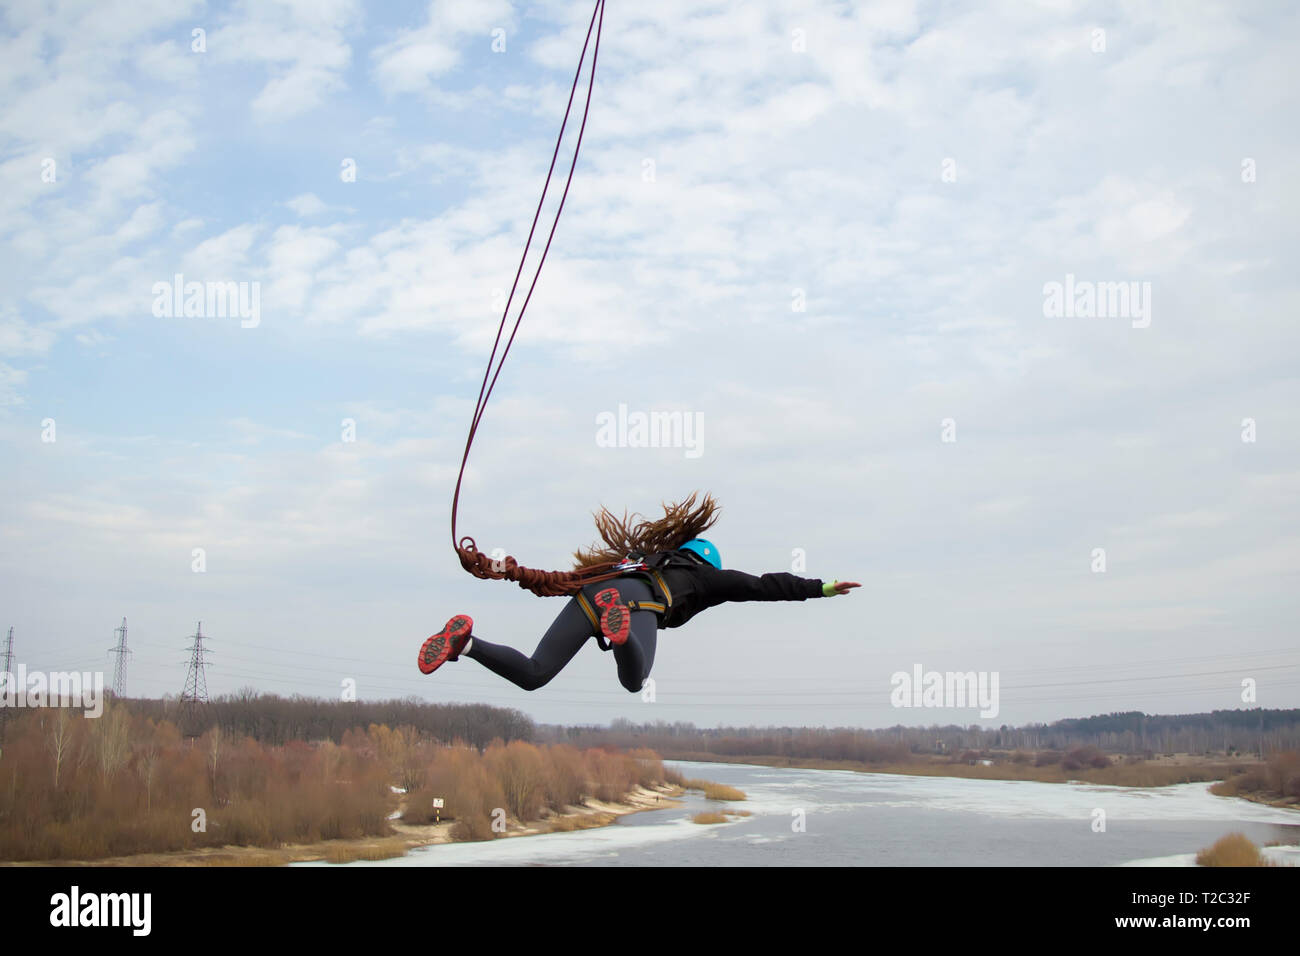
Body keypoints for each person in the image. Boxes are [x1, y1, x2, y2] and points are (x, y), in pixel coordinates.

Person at [417, 493, 859, 692]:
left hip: (595, 594)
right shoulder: (706, 576)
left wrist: (508, 570)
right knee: (634, 681)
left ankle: (466, 643)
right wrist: (820, 588)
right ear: (707, 561)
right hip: (638, 602)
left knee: (534, 674)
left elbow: (560, 580)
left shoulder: (635, 558)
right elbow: (762, 586)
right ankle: (622, 635)